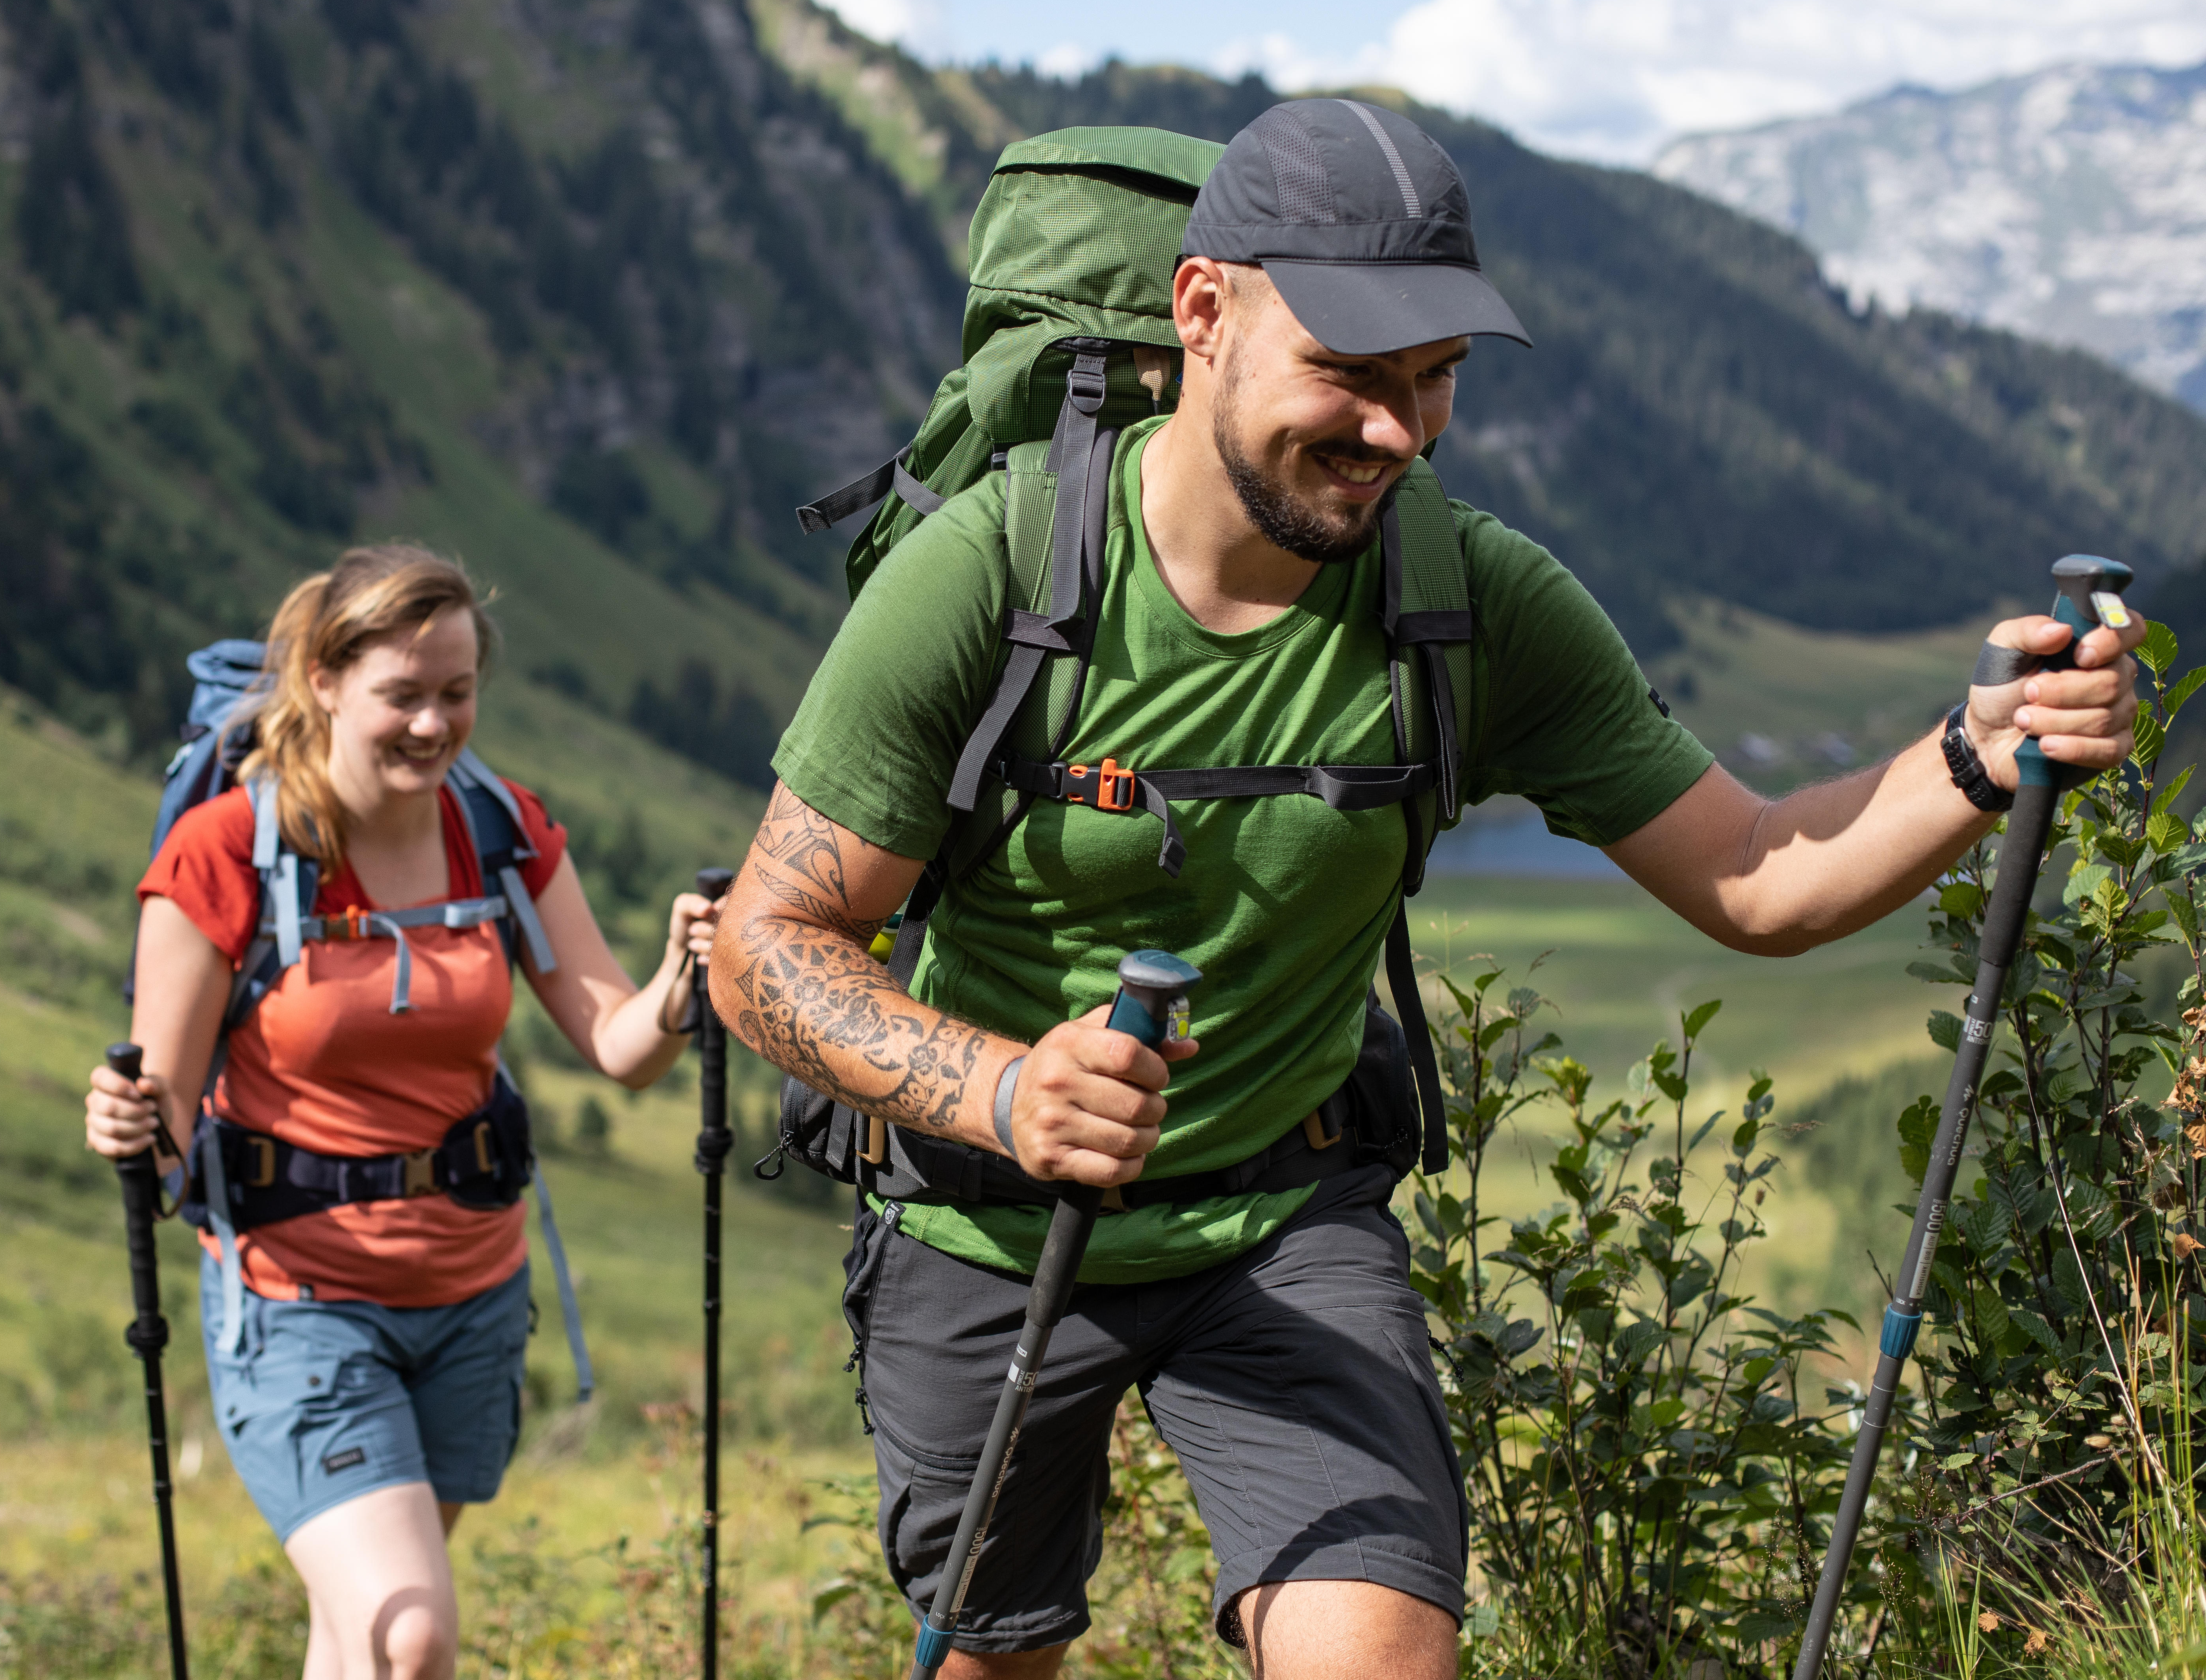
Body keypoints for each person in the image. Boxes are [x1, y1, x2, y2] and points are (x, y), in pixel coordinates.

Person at [709, 99, 2146, 1680]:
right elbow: (771, 947)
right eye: (1351, 372)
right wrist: (1004, 1088)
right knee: (1000, 1659)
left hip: (1283, 1220)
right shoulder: (992, 575)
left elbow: (1756, 875)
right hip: (985, 1228)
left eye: (1435, 376)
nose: (1400, 430)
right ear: (1206, 312)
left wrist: (1974, 753)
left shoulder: (1469, 597)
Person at [84, 545, 716, 1680]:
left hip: (474, 1298)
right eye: (404, 696)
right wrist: (125, 1123)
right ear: (322, 680)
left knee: (359, 1643)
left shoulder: (499, 827)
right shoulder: (227, 853)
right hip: (301, 1307)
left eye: (458, 693)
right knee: (408, 1635)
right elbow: (166, 1122)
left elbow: (620, 1047)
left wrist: (678, 979)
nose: (434, 725)